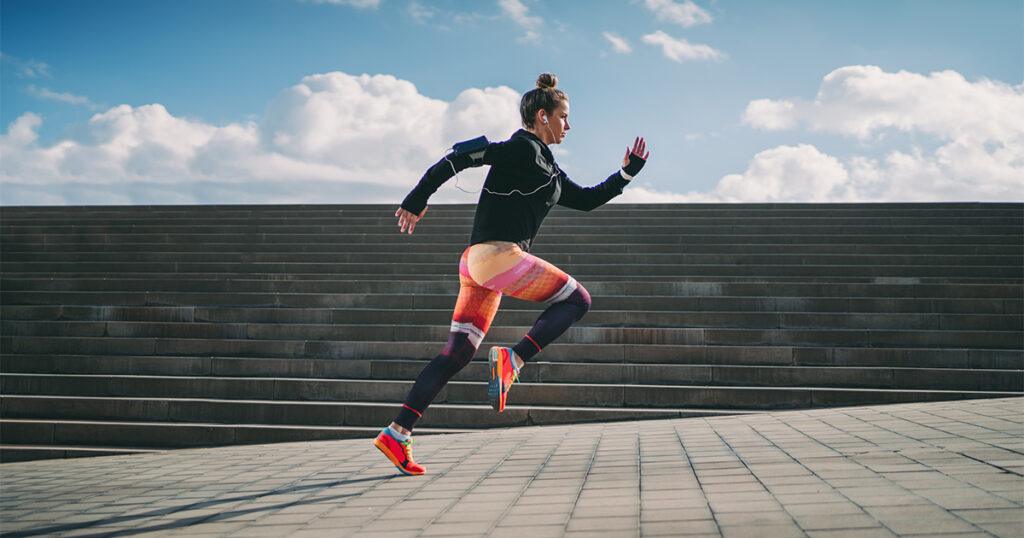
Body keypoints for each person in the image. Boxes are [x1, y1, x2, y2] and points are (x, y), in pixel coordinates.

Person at [373, 73, 650, 475]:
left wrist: (626, 174)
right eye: (564, 117)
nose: (569, 126)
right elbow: (456, 158)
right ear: (542, 116)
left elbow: (587, 200)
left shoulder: (548, 167)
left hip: (478, 267)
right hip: (497, 256)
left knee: (458, 353)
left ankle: (398, 432)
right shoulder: (519, 149)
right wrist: (417, 198)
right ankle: (513, 360)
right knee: (577, 299)